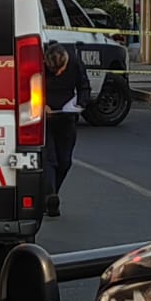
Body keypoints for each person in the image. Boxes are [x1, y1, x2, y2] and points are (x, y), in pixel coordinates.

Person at [41, 42, 93, 216]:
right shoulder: (43, 65)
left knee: (65, 161)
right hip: (46, 117)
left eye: (60, 70)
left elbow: (84, 88)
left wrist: (81, 104)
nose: (58, 74)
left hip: (67, 116)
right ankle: (50, 197)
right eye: (53, 71)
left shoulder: (75, 63)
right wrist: (42, 105)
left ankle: (51, 192)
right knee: (49, 160)